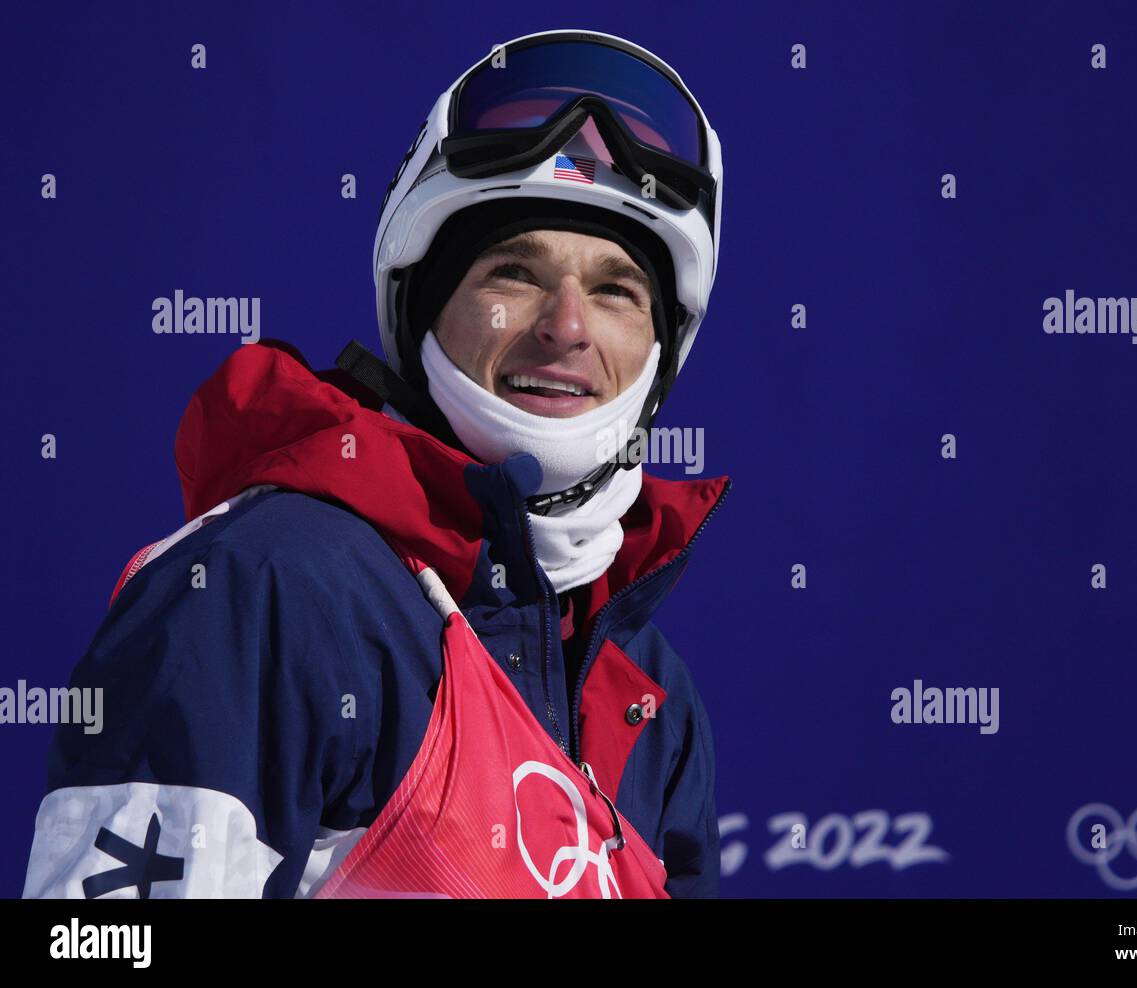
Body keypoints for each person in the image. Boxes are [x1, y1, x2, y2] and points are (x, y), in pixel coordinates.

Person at [22, 28, 731, 899]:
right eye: (513, 272)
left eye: (617, 290)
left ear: (662, 348)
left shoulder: (645, 690)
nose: (568, 327)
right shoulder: (263, 587)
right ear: (422, 308)